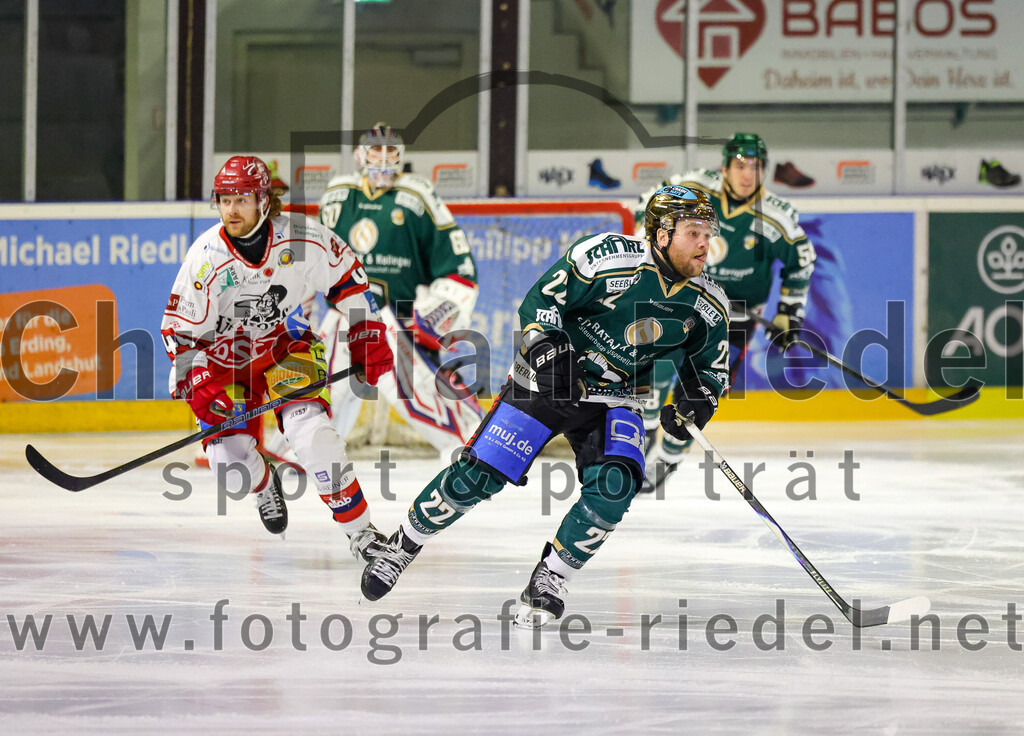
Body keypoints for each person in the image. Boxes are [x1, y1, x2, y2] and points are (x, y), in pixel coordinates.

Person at [359, 185, 731, 627]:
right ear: (661, 234)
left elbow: (712, 369)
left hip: (618, 396)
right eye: (694, 232)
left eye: (708, 233)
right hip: (548, 381)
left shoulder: (710, 303)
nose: (705, 244)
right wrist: (549, 352)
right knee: (478, 476)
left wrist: (697, 399)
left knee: (615, 485)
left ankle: (551, 577)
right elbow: (542, 301)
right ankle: (404, 544)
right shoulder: (607, 256)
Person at [160, 155, 393, 560]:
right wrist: (199, 384)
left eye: (242, 199)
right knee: (230, 470)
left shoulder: (301, 238)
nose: (231, 209)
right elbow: (180, 336)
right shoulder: (205, 257)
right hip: (222, 362)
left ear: (264, 200)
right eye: (224, 200)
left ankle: (361, 533)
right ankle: (264, 482)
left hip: (285, 347)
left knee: (312, 434)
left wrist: (366, 334)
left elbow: (348, 279)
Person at [636, 133, 816, 494]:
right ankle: (634, 449)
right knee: (649, 379)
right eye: (740, 165)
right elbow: (647, 204)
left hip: (734, 322)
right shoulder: (694, 188)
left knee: (698, 395)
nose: (748, 174)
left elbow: (802, 262)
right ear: (725, 168)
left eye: (756, 166)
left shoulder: (779, 216)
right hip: (682, 304)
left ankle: (668, 458)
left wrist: (788, 314)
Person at [317, 123, 484, 459]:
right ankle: (302, 454)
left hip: (398, 315)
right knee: (326, 391)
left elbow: (458, 263)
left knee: (417, 393)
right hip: (345, 315)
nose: (382, 159)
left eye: (390, 152)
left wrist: (437, 311)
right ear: (358, 156)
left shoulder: (417, 195)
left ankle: (476, 448)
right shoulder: (336, 195)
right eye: (375, 151)